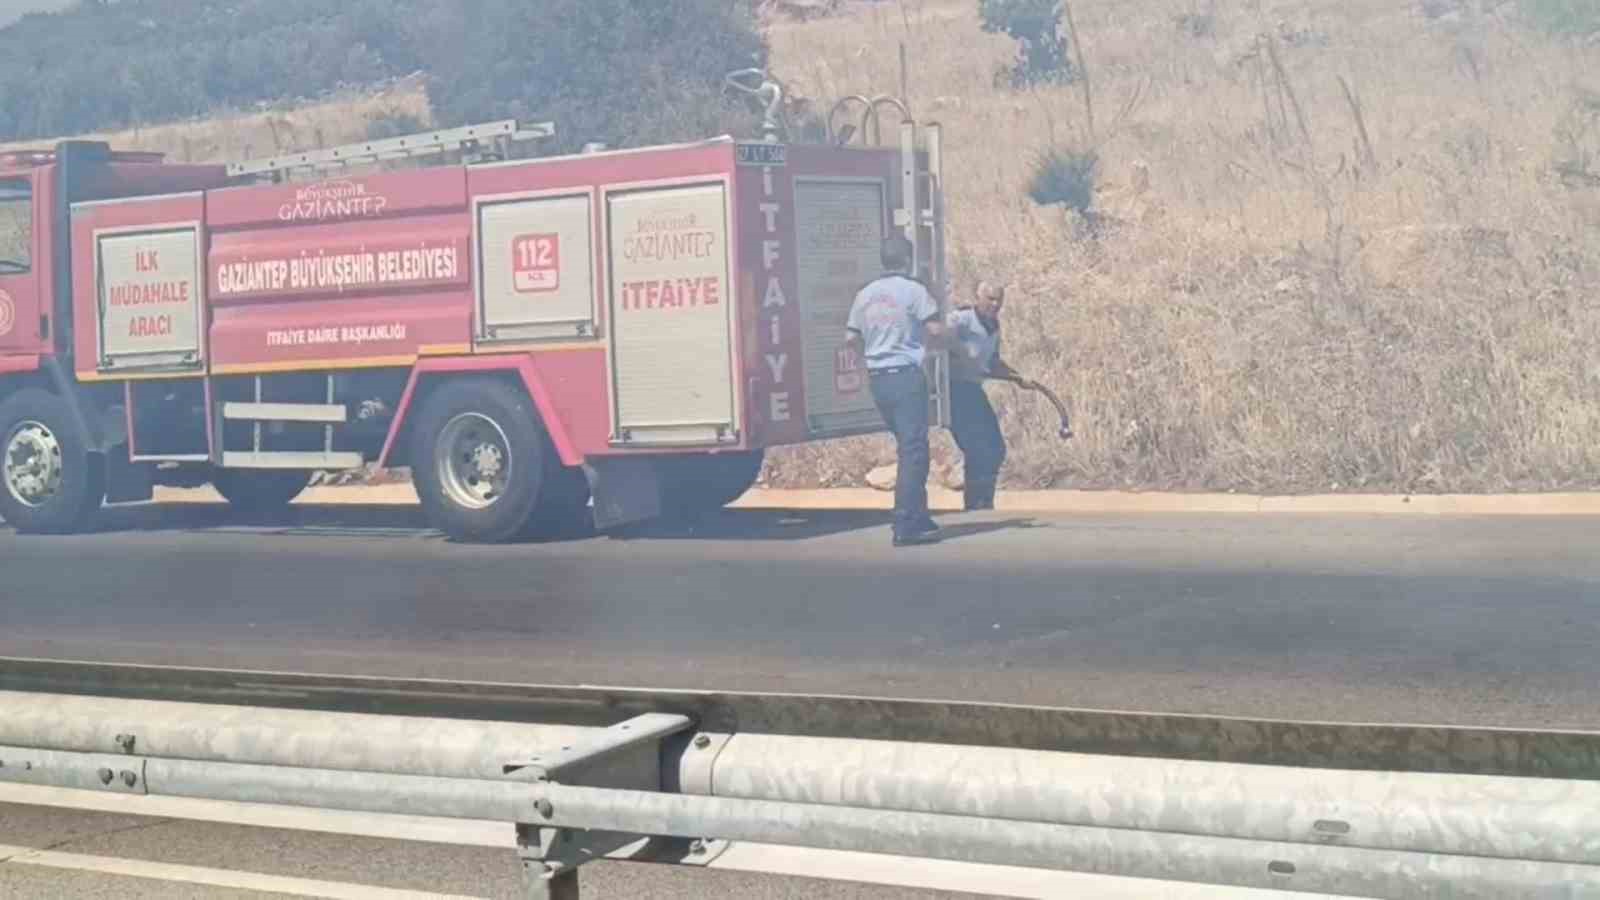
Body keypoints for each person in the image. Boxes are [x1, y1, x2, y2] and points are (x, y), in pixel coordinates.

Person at [844, 235, 949, 547]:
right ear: (908, 259)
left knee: (909, 446)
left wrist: (875, 348)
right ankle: (906, 524)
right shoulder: (914, 291)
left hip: (878, 380)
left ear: (884, 260)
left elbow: (850, 338)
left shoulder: (865, 295)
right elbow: (934, 329)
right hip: (905, 377)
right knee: (913, 450)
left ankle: (918, 514)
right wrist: (946, 341)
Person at [947, 280, 1026, 511]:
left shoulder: (994, 325)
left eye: (999, 299)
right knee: (977, 448)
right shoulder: (961, 319)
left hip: (972, 389)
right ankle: (975, 505)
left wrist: (1017, 377)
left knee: (995, 449)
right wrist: (959, 355)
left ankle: (983, 502)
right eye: (990, 298)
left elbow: (992, 363)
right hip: (954, 390)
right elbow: (937, 337)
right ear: (977, 298)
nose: (995, 304)